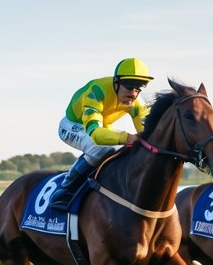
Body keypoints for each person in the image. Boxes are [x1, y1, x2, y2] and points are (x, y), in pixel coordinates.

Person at [47, 58, 154, 211]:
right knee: (101, 148)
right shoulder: (96, 92)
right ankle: (65, 189)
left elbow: (147, 135)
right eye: (129, 87)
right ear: (116, 83)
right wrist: (128, 138)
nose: (133, 94)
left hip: (103, 127)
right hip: (73, 125)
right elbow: (95, 134)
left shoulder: (137, 103)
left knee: (129, 150)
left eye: (139, 88)